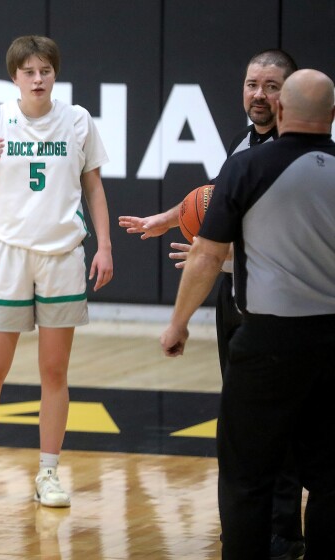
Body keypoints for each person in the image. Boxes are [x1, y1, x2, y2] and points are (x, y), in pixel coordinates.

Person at [119, 49, 306, 560]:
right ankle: (254, 532)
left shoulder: (303, 152)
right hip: (237, 295)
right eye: (252, 84)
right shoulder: (242, 142)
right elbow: (216, 201)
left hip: (284, 305)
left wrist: (211, 254)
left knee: (283, 426)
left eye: (271, 86)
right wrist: (172, 218)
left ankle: (283, 535)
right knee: (247, 425)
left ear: (291, 92)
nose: (259, 95)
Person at [160, 68, 335, 559]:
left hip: (269, 344)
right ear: (333, 117)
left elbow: (207, 255)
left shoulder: (247, 167)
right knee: (330, 477)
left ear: (280, 110)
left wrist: (178, 324)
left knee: (245, 477)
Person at [0, 35, 113, 507]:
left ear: (55, 74)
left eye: (45, 71)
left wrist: (105, 246)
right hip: (8, 255)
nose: (38, 79)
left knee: (54, 371)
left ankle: (49, 473)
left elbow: (94, 189)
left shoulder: (77, 121)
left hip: (63, 255)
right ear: (14, 77)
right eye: (28, 72)